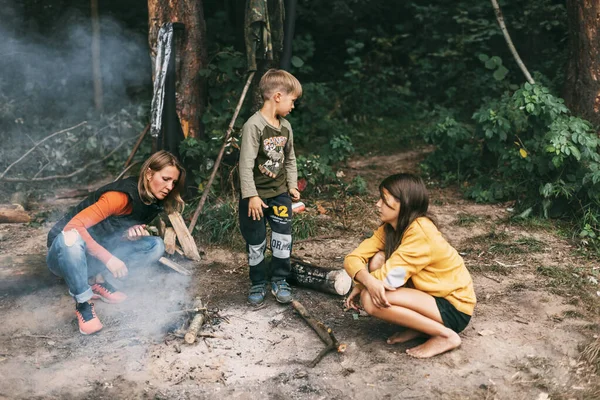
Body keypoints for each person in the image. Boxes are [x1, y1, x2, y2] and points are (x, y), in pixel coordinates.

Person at [46, 150, 185, 335]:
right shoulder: (119, 196)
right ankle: (83, 304)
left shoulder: (150, 200)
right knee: (71, 239)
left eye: (173, 182)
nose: (169, 186)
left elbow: (107, 230)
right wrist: (109, 259)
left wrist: (126, 235)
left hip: (92, 255)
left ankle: (99, 281)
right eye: (166, 178)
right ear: (149, 174)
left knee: (154, 245)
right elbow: (73, 228)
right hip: (63, 254)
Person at [344, 173, 476, 358]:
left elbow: (391, 278)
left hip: (453, 307)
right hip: (432, 296)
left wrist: (363, 285)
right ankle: (421, 328)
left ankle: (445, 335)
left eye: (384, 200)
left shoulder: (421, 232)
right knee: (378, 260)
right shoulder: (391, 227)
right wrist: (363, 280)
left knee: (369, 299)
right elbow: (352, 258)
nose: (377, 204)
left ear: (403, 204)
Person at [238, 68, 302, 305]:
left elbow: (291, 157)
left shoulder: (285, 127)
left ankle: (280, 279)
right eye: (292, 100)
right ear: (277, 96)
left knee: (282, 239)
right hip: (255, 198)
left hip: (279, 195)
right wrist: (252, 195)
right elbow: (245, 165)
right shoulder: (253, 126)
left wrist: (292, 185)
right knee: (255, 240)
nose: (293, 106)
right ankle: (257, 282)